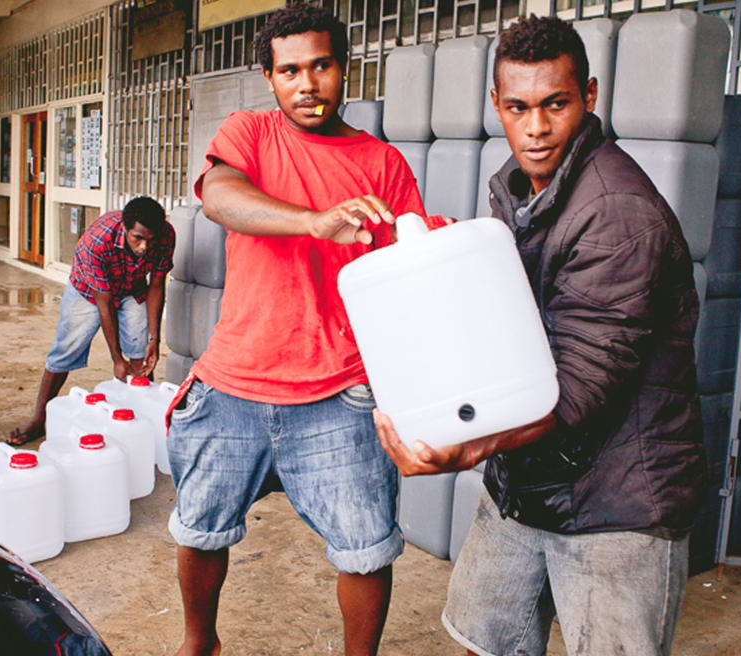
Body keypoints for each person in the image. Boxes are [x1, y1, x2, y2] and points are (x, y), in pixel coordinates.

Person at [373, 15, 705, 656]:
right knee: (485, 640)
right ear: (496, 103)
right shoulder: (517, 189)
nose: (536, 128)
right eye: (518, 107)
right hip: (529, 482)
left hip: (619, 502)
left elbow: (575, 392)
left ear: (590, 95)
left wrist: (466, 447)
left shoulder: (616, 212)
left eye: (556, 103)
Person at [167, 5, 440, 655]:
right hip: (233, 383)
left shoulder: (382, 163)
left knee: (366, 550)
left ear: (344, 69)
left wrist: (438, 249)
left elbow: (411, 267)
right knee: (199, 530)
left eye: (321, 66)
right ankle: (199, 644)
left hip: (339, 390)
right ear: (269, 78)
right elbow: (219, 196)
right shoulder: (249, 133)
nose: (307, 84)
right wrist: (314, 221)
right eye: (289, 70)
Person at [8, 197, 173, 446]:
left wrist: (154, 339)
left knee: (141, 353)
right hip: (87, 292)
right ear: (125, 228)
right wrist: (116, 359)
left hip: (132, 288)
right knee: (65, 351)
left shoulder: (166, 235)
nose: (144, 247)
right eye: (137, 238)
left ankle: (143, 424)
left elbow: (157, 285)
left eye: (151, 240)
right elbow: (103, 302)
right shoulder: (98, 240)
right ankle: (39, 419)